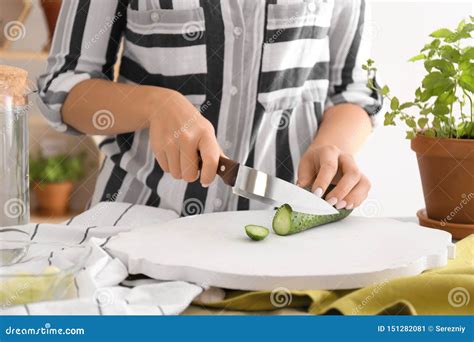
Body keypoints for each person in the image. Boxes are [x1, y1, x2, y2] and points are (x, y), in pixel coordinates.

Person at [38, 0, 382, 216]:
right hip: (139, 224)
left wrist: (332, 146)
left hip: (283, 236)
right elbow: (62, 86)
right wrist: (155, 105)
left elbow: (351, 90)